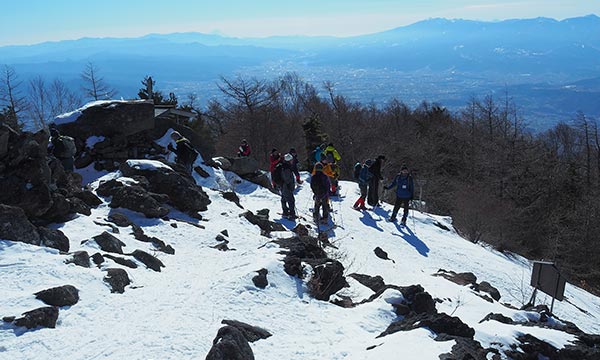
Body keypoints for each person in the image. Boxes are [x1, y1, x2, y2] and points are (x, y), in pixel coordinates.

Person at [279, 153, 297, 219]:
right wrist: (290, 185)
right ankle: (292, 214)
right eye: (291, 160)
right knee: (291, 200)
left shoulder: (284, 166)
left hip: (283, 186)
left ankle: (285, 212)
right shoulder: (286, 168)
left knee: (283, 199)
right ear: (289, 160)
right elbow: (287, 179)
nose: (292, 161)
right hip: (286, 187)